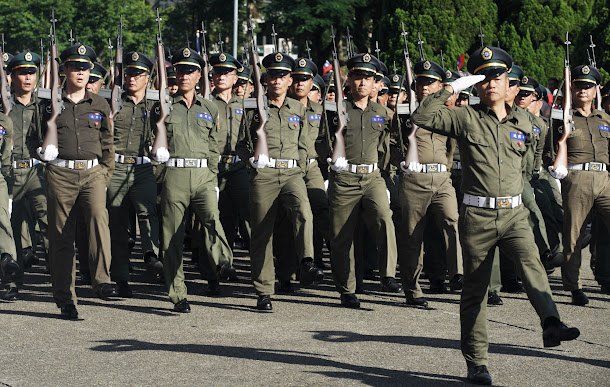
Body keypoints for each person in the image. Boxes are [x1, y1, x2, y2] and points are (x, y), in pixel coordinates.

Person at [412, 45, 580, 385]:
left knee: (533, 264)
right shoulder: (464, 118)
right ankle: (476, 364)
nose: (491, 83)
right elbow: (422, 118)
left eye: (497, 76)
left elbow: (533, 162)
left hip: (514, 212)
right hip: (477, 215)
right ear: (476, 85)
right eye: (483, 78)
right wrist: (452, 87)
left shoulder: (530, 124)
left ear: (510, 84)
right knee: (475, 290)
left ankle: (551, 323)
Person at [27, 44, 117, 319]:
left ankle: (101, 280)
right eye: (75, 67)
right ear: (64, 69)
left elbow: (108, 143)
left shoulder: (99, 103)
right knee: (61, 237)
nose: (80, 72)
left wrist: (105, 174)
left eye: (85, 68)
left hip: (93, 173)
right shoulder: (47, 103)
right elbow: (32, 138)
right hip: (60, 173)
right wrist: (42, 153)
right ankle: (65, 298)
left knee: (98, 218)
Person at [151, 47, 233, 313]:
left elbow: (213, 147)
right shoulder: (162, 107)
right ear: (173, 73)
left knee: (211, 217)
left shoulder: (209, 107)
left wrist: (211, 177)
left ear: (199, 75)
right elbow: (148, 145)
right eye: (180, 70)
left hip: (202, 176)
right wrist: (159, 172)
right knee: (171, 236)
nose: (184, 75)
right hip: (173, 174)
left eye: (190, 71)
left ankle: (224, 262)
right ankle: (178, 295)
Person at [236, 51, 319, 311]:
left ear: (289, 79)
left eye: (282, 76)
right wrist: (252, 161)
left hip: (292, 172)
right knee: (262, 232)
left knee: (303, 211)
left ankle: (306, 261)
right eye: (272, 75)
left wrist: (301, 166)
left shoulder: (298, 108)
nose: (277, 80)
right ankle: (263, 290)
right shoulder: (253, 106)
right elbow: (241, 143)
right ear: (265, 78)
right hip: (265, 174)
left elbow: (305, 144)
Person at [327, 53, 399, 308]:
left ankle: (388, 275)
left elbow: (387, 146)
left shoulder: (383, 112)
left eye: (368, 78)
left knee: (384, 218)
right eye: (357, 77)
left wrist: (386, 174)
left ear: (375, 83)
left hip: (372, 177)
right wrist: (329, 160)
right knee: (341, 236)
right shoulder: (335, 110)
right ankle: (347, 289)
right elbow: (318, 138)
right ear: (349, 79)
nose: (362, 83)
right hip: (344, 177)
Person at [396, 60, 462, 307]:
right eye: (421, 82)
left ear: (439, 86)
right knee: (413, 236)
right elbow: (391, 142)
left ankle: (458, 274)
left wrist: (445, 169)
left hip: (442, 179)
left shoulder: (447, 114)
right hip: (414, 180)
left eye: (430, 82)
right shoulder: (403, 112)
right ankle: (412, 290)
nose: (425, 87)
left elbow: (451, 147)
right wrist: (401, 162)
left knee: (452, 221)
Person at [548, 64, 610, 305]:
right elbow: (550, 148)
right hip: (576, 178)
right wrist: (556, 168)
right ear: (572, 89)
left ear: (596, 91)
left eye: (588, 86)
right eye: (579, 86)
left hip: (604, 178)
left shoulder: (605, 119)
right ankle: (574, 287)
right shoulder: (563, 117)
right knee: (573, 235)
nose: (583, 90)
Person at [106, 51, 161, 298]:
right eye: (128, 73)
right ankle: (121, 278)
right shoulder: (113, 102)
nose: (132, 79)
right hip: (116, 167)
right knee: (116, 223)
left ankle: (152, 256)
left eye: (137, 74)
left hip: (143, 167)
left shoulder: (156, 104)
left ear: (147, 78)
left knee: (148, 213)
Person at [5, 51, 49, 300]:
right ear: (11, 76)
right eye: (22, 72)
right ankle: (12, 282)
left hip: (37, 170)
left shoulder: (45, 107)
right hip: (9, 171)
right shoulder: (4, 105)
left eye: (32, 72)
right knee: (10, 229)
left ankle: (60, 280)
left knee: (49, 222)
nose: (28, 77)